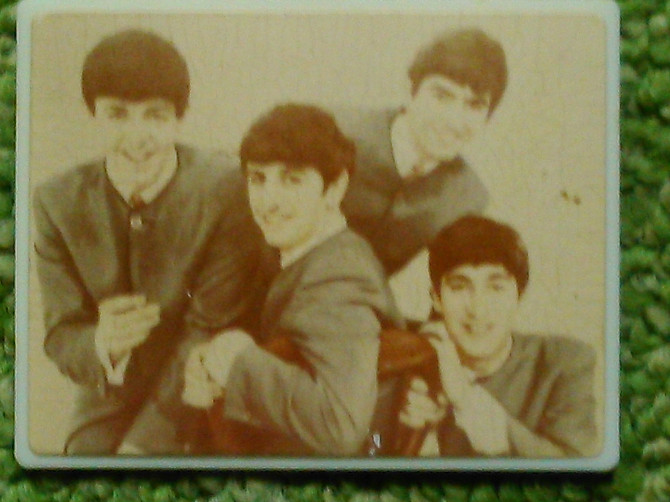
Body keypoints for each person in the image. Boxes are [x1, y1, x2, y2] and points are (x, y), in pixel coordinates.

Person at [32, 29, 266, 454]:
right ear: (92, 114)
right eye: (118, 115)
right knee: (81, 464)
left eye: (155, 116)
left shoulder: (226, 188)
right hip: (109, 393)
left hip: (200, 387)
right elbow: (61, 333)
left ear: (179, 117)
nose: (137, 135)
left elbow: (209, 326)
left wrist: (143, 445)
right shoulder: (56, 202)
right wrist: (103, 344)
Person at [181, 104, 404, 455]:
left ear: (335, 188)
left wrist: (236, 363)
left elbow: (339, 426)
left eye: (292, 180)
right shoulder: (311, 253)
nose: (269, 201)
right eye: (258, 179)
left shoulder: (338, 278)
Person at [337, 28, 508, 322]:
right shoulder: (336, 134)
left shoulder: (466, 196)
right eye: (442, 96)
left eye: (474, 105)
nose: (454, 120)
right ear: (409, 90)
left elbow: (450, 291)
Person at [400, 216, 597, 457]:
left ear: (518, 295)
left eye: (496, 287)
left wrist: (465, 397)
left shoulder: (565, 362)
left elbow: (574, 467)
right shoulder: (413, 353)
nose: (478, 309)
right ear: (436, 299)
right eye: (459, 287)